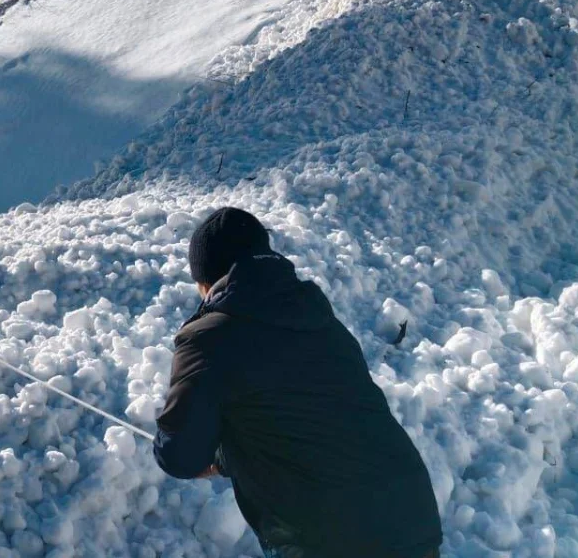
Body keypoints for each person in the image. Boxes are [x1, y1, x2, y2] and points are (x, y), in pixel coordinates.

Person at [155, 207, 442, 558]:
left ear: (205, 281)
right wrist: (234, 455)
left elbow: (180, 456)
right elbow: (308, 421)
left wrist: (210, 455)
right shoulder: (319, 319)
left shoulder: (207, 338)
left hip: (332, 538)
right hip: (412, 517)